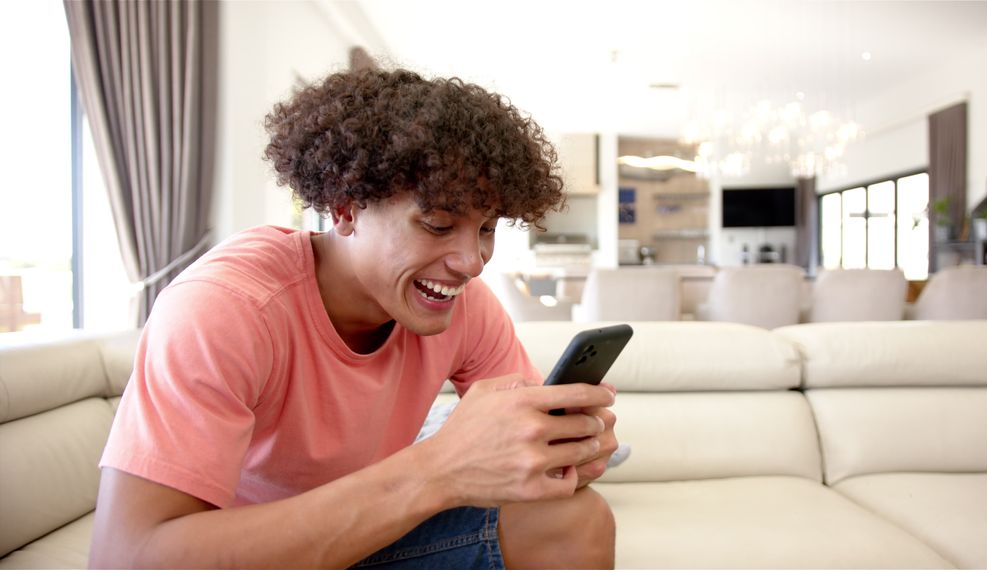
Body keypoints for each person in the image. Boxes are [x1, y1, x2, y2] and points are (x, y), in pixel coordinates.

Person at [89, 68, 619, 569]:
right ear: (345, 209)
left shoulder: (462, 305)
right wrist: (439, 468)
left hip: (374, 533)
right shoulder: (227, 308)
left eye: (486, 229)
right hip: (252, 552)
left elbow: (524, 455)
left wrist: (561, 453)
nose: (473, 262)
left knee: (572, 518)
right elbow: (127, 555)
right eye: (438, 225)